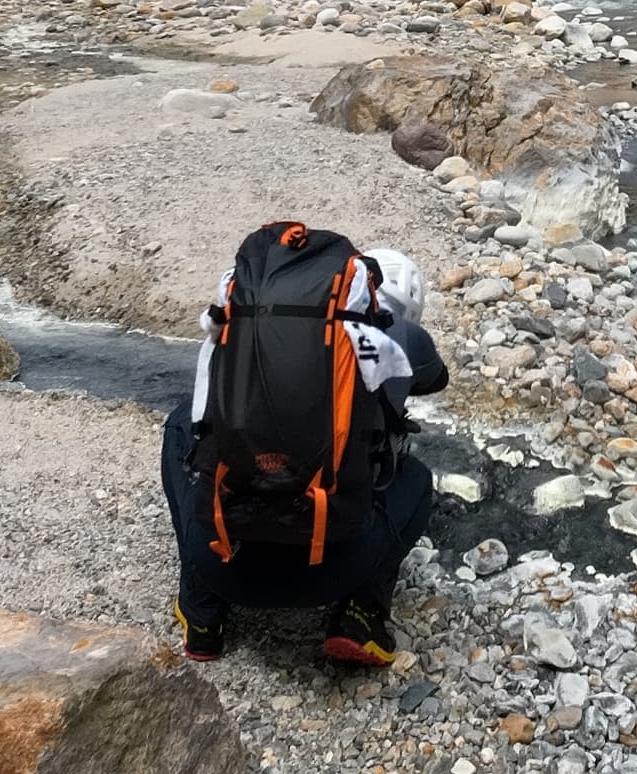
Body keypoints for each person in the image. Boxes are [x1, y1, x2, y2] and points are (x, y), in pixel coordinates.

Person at [160, 230, 448, 669]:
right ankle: (360, 615)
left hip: (224, 562)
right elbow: (433, 380)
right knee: (415, 477)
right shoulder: (404, 335)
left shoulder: (260, 325)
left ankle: (202, 611)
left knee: (183, 425)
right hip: (332, 571)